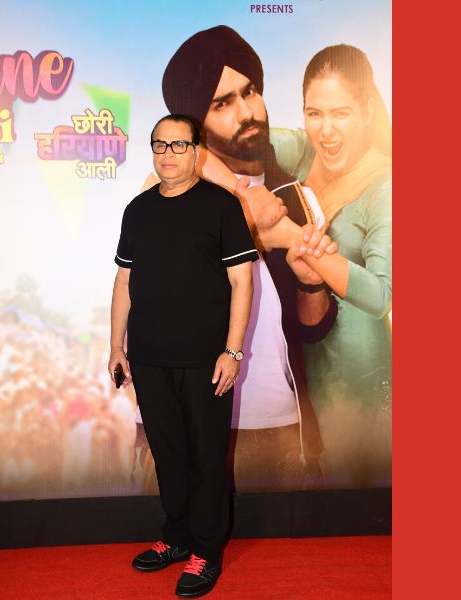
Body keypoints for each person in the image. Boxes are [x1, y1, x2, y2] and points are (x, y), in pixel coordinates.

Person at [158, 25, 339, 492]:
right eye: (221, 104)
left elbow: (312, 330)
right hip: (196, 427)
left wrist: (310, 283)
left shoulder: (298, 198)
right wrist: (245, 204)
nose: (246, 112)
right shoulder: (171, 196)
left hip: (286, 430)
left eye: (249, 92)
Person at [109, 114, 256, 597]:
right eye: (160, 145)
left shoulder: (222, 206)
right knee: (168, 454)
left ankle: (206, 552)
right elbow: (124, 281)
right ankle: (176, 537)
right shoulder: (138, 210)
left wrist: (232, 351)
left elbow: (242, 281)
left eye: (178, 145)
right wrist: (116, 347)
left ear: (197, 152)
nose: (168, 154)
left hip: (207, 360)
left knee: (207, 457)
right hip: (149, 358)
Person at [279, 44, 393, 486]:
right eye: (314, 113)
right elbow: (231, 137)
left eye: (341, 113)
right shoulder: (305, 153)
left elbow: (381, 295)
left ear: (367, 111)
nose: (325, 131)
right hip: (304, 362)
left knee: (359, 496)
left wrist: (297, 241)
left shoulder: (385, 184)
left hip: (358, 372)